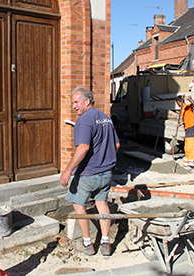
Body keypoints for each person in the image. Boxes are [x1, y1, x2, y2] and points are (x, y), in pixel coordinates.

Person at [60, 86, 120, 256]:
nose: (74, 106)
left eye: (76, 102)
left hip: (88, 174)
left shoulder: (84, 120)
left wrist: (67, 171)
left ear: (87, 101)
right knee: (102, 204)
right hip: (107, 173)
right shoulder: (106, 118)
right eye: (73, 103)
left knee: (79, 205)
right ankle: (106, 243)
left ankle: (87, 244)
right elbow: (116, 145)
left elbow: (83, 147)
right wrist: (104, 160)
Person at [175, 94, 194, 169]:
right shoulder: (182, 110)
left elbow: (193, 103)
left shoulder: (187, 107)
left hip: (192, 127)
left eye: (177, 103)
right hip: (187, 128)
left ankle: (191, 162)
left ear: (179, 102)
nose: (177, 105)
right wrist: (181, 123)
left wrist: (188, 98)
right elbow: (187, 118)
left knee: (190, 145)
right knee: (187, 145)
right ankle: (187, 159)